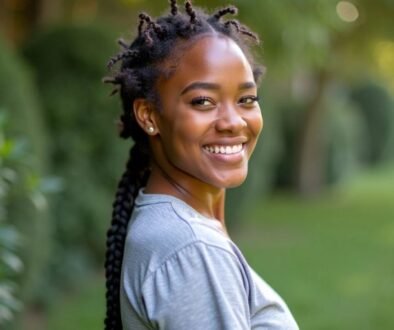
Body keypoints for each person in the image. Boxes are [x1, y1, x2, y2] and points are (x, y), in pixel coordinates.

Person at [103, 1, 299, 329]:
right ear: (149, 116)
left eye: (246, 99)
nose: (233, 122)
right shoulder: (191, 248)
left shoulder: (180, 230)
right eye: (203, 101)